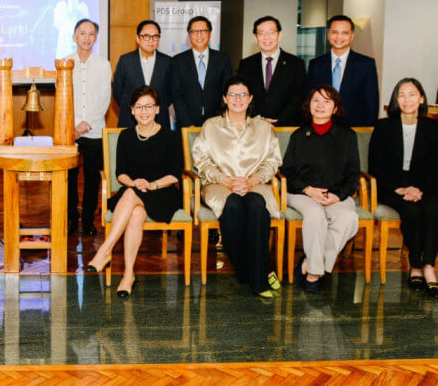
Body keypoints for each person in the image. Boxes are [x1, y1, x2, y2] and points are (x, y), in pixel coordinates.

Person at [85, 86, 183, 299]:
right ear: (131, 110)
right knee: (136, 212)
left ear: (157, 109)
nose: (144, 111)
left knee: (130, 195)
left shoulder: (170, 137)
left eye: (149, 106)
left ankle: (105, 250)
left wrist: (152, 185)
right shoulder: (126, 136)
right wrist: (135, 182)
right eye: (139, 107)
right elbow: (121, 174)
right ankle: (128, 275)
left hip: (161, 192)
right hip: (133, 189)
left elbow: (175, 175)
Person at [191, 76, 283, 298]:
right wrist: (227, 181)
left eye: (243, 94)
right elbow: (201, 160)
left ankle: (251, 273)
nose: (237, 99)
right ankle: (257, 275)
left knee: (256, 204)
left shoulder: (263, 127)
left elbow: (273, 161)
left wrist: (250, 181)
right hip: (218, 184)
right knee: (232, 205)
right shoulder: (211, 126)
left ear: (250, 98)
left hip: (255, 183)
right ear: (225, 98)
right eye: (232, 94)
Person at [281, 85, 360, 292]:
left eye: (327, 101)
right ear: (309, 105)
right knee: (315, 215)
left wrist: (338, 196)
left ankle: (308, 264)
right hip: (302, 193)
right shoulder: (299, 136)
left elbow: (353, 175)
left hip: (335, 193)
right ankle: (315, 274)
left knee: (349, 219)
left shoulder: (348, 136)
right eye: (316, 100)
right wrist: (308, 189)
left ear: (335, 108)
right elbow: (287, 172)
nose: (321, 105)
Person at [369, 78, 438, 296]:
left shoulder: (432, 127)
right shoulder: (383, 126)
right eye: (401, 95)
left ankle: (428, 265)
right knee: (411, 211)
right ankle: (415, 265)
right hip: (390, 187)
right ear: (395, 100)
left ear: (421, 98)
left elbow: (435, 166)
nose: (407, 99)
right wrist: (398, 189)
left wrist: (419, 189)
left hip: (422, 185)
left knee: (432, 208)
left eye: (412, 94)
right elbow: (375, 165)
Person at [64, 18, 112, 236]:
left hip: (94, 130)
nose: (86, 38)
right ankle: (72, 218)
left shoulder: (103, 64)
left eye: (91, 34)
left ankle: (88, 220)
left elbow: (104, 98)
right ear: (75, 36)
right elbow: (62, 99)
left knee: (93, 179)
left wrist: (86, 123)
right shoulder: (64, 63)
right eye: (82, 33)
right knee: (70, 178)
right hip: (69, 131)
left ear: (95, 38)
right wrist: (74, 125)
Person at [305, 14, 379, 127]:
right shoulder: (316, 64)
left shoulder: (366, 64)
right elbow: (309, 98)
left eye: (344, 33)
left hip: (354, 129)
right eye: (335, 32)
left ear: (352, 36)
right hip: (322, 128)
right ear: (328, 34)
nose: (339, 37)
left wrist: (366, 132)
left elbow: (372, 103)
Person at [237, 16, 306, 127]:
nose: (267, 37)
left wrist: (277, 120)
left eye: (271, 32)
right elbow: (242, 95)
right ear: (255, 37)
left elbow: (298, 98)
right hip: (253, 126)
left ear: (279, 35)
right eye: (262, 33)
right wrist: (258, 120)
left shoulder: (296, 64)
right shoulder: (246, 64)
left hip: (286, 127)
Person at [171, 16, 232, 128]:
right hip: (187, 123)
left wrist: (219, 119)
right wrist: (188, 124)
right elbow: (176, 95)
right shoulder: (178, 61)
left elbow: (227, 91)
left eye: (203, 31)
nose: (199, 35)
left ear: (210, 33)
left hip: (217, 123)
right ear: (189, 35)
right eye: (194, 32)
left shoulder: (223, 59)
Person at [112, 20, 173, 129]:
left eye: (155, 36)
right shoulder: (125, 61)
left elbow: (171, 93)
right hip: (130, 121)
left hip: (159, 121)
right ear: (138, 39)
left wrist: (153, 108)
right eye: (146, 36)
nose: (151, 40)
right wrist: (135, 108)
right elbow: (117, 91)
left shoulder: (168, 62)